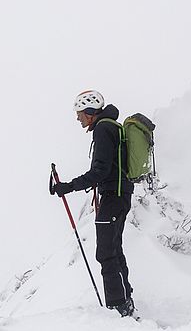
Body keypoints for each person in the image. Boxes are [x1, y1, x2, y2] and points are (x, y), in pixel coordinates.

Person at [50, 89, 135, 317]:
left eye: (80, 115)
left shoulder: (103, 129)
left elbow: (99, 171)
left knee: (106, 253)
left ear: (90, 112)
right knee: (114, 250)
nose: (78, 120)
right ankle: (125, 301)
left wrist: (68, 186)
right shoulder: (111, 127)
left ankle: (118, 307)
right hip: (119, 195)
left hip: (114, 196)